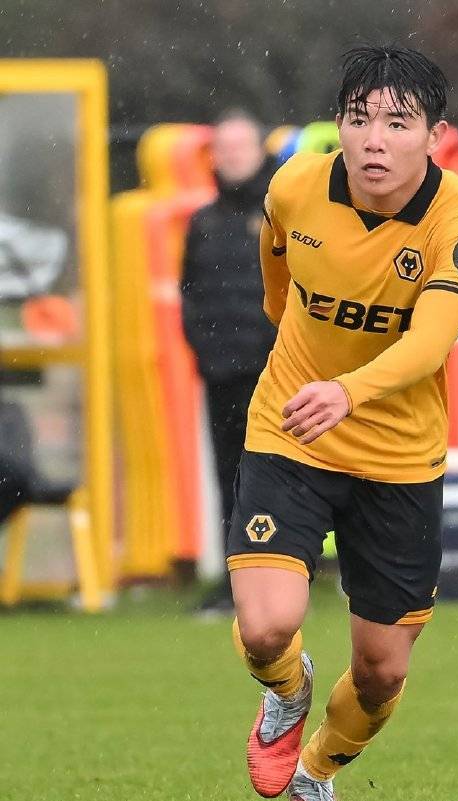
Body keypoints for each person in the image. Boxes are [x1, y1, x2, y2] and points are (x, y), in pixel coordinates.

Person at [227, 45, 458, 801]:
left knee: (382, 670)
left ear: (436, 135)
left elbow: (432, 339)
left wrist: (348, 389)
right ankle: (287, 691)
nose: (374, 139)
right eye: (358, 119)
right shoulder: (294, 186)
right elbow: (276, 280)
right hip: (292, 430)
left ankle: (317, 772)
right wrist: (308, 370)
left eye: (397, 123)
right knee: (267, 627)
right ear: (338, 125)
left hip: (398, 458)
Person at [180, 109, 277, 614]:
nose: (232, 157)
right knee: (228, 478)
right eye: (224, 148)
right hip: (221, 374)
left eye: (240, 147)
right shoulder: (202, 223)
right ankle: (234, 581)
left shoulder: (283, 216)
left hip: (274, 377)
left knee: (276, 479)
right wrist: (205, 351)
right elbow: (190, 296)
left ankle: (281, 579)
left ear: (260, 151)